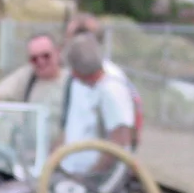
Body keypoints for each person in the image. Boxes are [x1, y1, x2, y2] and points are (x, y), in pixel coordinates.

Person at [62, 13, 144, 148]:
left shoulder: (110, 81)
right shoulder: (78, 77)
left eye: (70, 37)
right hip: (74, 166)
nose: (66, 42)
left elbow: (119, 142)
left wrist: (97, 169)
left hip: (97, 169)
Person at [59, 33, 136, 173]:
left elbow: (118, 142)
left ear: (77, 73)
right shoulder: (79, 83)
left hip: (97, 179)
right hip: (73, 170)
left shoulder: (112, 88)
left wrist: (93, 175)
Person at [0, 33, 68, 118]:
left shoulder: (71, 81)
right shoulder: (28, 76)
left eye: (46, 56)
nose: (41, 62)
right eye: (34, 59)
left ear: (57, 52)